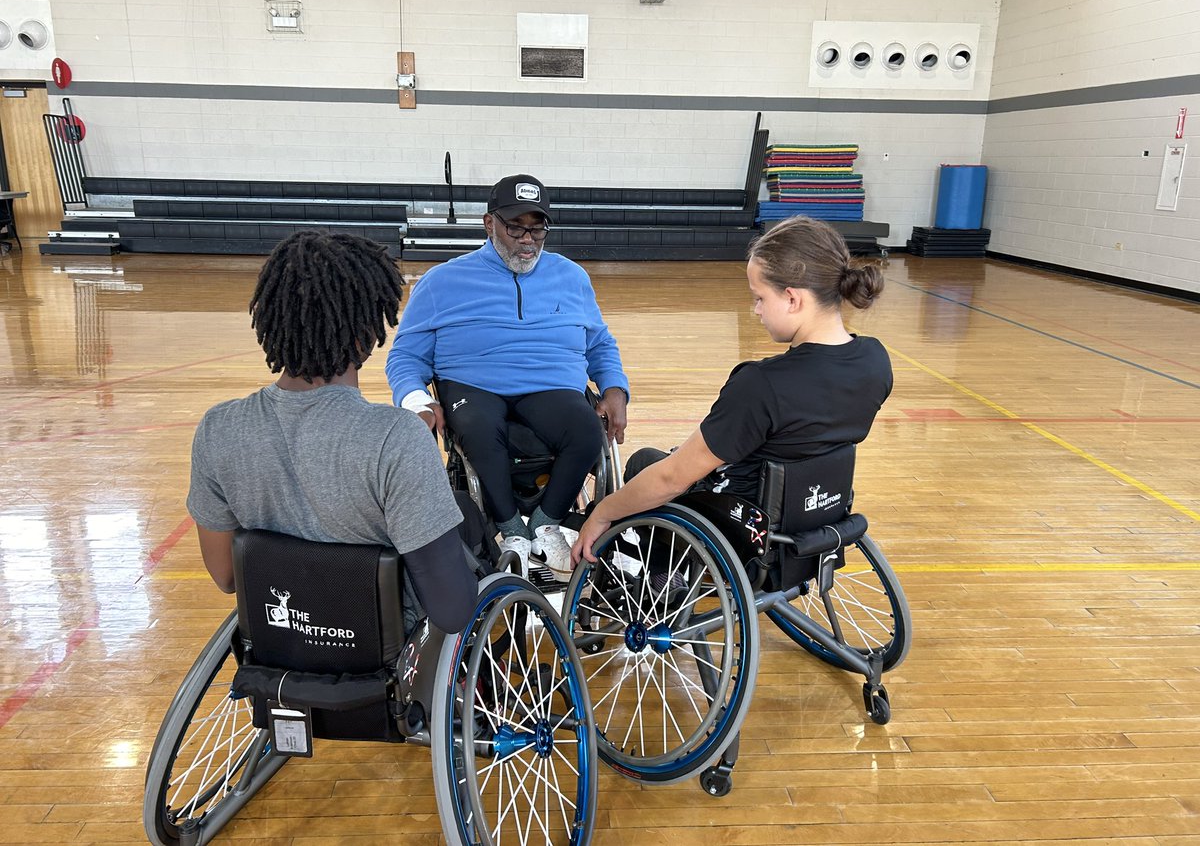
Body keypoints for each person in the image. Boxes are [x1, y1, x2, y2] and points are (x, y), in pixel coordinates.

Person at [187, 230, 478, 635]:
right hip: (385, 651)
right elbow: (452, 612)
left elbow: (225, 575)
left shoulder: (218, 429)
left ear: (270, 321)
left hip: (284, 640)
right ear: (364, 336)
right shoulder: (396, 438)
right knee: (469, 519)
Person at [572, 214, 892, 566]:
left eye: (759, 297)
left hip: (747, 534)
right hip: (818, 514)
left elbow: (671, 479)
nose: (755, 310)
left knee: (645, 463)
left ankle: (666, 580)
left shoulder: (763, 384)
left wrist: (602, 512)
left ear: (792, 299)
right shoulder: (875, 360)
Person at [386, 173, 630, 580]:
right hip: (473, 383)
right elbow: (406, 357)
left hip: (549, 384)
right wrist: (416, 401)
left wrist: (614, 386)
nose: (527, 239)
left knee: (588, 431)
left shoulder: (571, 277)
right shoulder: (441, 282)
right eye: (515, 227)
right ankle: (510, 532)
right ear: (488, 223)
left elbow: (599, 343)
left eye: (537, 229)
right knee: (479, 429)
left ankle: (545, 526)